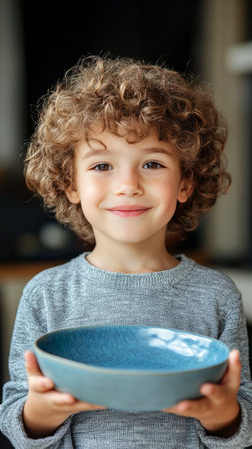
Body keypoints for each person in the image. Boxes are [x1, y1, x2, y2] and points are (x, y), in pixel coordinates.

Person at [0, 55, 252, 449]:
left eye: (152, 163)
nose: (128, 185)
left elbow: (242, 421)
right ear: (71, 184)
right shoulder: (46, 294)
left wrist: (219, 413)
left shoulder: (216, 295)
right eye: (102, 166)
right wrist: (44, 410)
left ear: (185, 183)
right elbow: (17, 417)